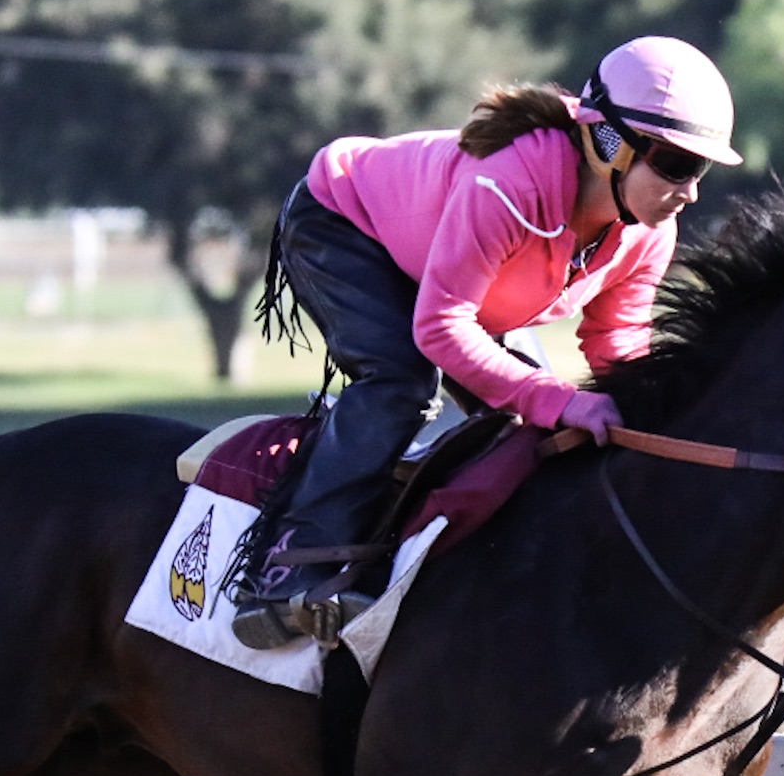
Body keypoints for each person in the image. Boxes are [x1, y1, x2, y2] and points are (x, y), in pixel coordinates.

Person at [234, 36, 742, 650]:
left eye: (701, 169)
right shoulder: (506, 186)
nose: (690, 191)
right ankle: (287, 570)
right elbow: (440, 328)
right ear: (610, 143)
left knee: (534, 430)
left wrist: (661, 419)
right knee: (402, 383)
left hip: (447, 277)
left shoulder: (648, 233)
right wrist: (561, 398)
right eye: (677, 165)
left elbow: (617, 342)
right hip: (343, 223)